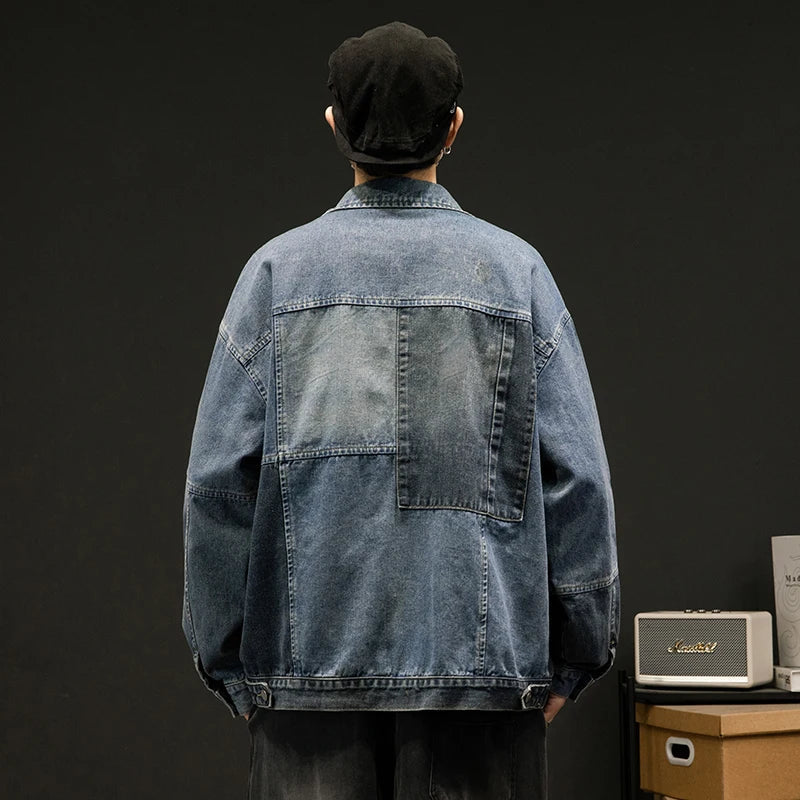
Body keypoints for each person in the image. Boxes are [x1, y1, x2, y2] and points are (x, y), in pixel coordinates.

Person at [181, 20, 620, 800]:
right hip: (486, 695)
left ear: (334, 126)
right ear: (454, 129)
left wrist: (233, 669)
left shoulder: (274, 278)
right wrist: (575, 658)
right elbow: (578, 482)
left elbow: (217, 491)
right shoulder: (516, 275)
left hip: (307, 695)